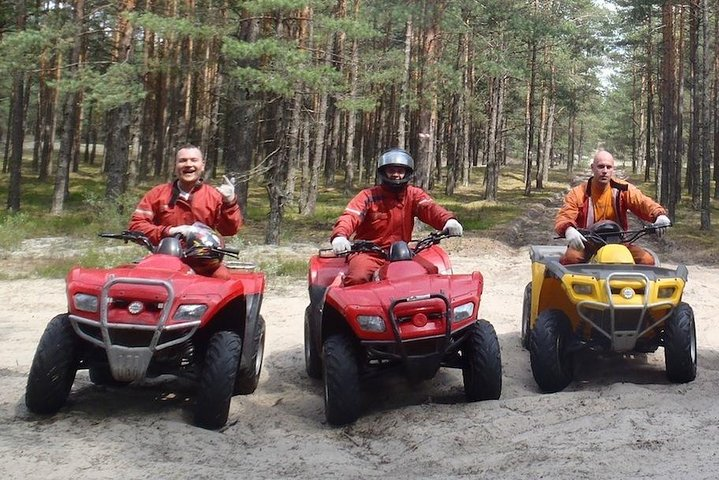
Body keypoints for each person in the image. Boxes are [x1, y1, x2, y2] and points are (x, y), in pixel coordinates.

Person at [330, 147, 463, 286]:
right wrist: (340, 235)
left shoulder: (413, 194)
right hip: (369, 254)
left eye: (400, 170)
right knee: (358, 277)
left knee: (431, 272)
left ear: (407, 173)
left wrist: (448, 221)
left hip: (402, 253)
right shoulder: (368, 196)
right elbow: (351, 216)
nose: (395, 174)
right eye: (391, 170)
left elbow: (430, 208)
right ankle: (356, 307)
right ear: (383, 171)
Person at [128, 144, 242, 278]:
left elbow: (230, 230)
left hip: (203, 263)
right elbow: (136, 227)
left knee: (223, 280)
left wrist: (230, 202)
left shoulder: (215, 196)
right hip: (163, 260)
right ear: (175, 166)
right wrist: (170, 231)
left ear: (202, 165)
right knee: (130, 282)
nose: (188, 164)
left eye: (194, 160)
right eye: (183, 160)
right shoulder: (157, 194)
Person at [554, 149, 671, 265]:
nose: (605, 171)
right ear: (592, 167)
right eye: (600, 166)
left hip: (618, 243)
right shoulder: (578, 192)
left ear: (613, 169)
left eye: (608, 167)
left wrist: (659, 214)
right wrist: (568, 229)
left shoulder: (623, 189)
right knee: (570, 259)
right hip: (587, 244)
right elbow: (565, 215)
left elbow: (642, 202)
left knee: (647, 261)